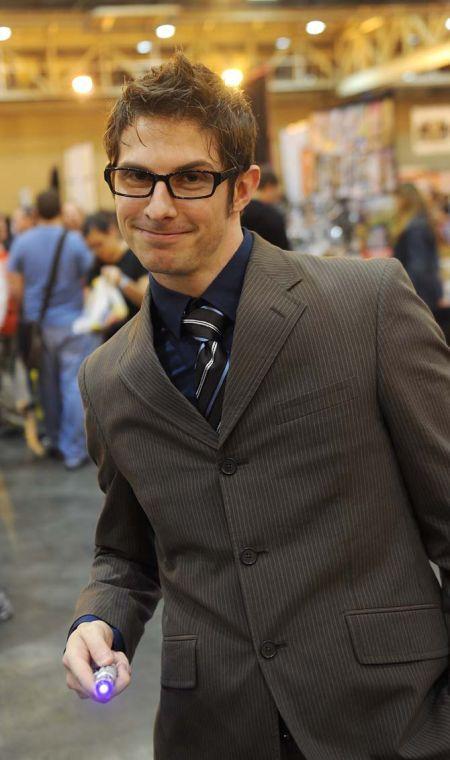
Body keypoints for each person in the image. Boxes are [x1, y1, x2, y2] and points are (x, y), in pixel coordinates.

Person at [63, 55, 450, 760]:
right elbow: (126, 552)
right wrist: (100, 622)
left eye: (189, 178)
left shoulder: (366, 306)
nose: (156, 205)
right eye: (136, 176)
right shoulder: (107, 376)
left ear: (243, 186)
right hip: (211, 728)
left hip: (391, 721)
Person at [7, 190, 95, 469]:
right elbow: (88, 276)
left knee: (46, 384)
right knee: (71, 385)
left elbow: (14, 286)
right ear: (60, 209)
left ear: (35, 212)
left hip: (38, 325)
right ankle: (73, 450)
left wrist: (27, 311)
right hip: (72, 322)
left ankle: (55, 440)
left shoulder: (22, 242)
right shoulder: (74, 241)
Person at [83, 210, 148, 340]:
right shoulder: (96, 266)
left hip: (139, 336)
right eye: (91, 248)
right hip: (111, 338)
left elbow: (146, 299)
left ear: (112, 232)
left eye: (99, 244)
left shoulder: (135, 257)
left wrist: (122, 281)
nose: (97, 251)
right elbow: (89, 303)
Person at [393, 183, 443, 312]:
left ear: (405, 200)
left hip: (420, 292)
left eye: (397, 199)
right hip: (426, 289)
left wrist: (407, 291)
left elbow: (418, 265)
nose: (395, 203)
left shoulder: (415, 227)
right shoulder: (421, 222)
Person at [241, 164, 290, 249]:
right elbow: (285, 254)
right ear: (269, 187)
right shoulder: (272, 216)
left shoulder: (238, 211)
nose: (278, 194)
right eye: (277, 189)